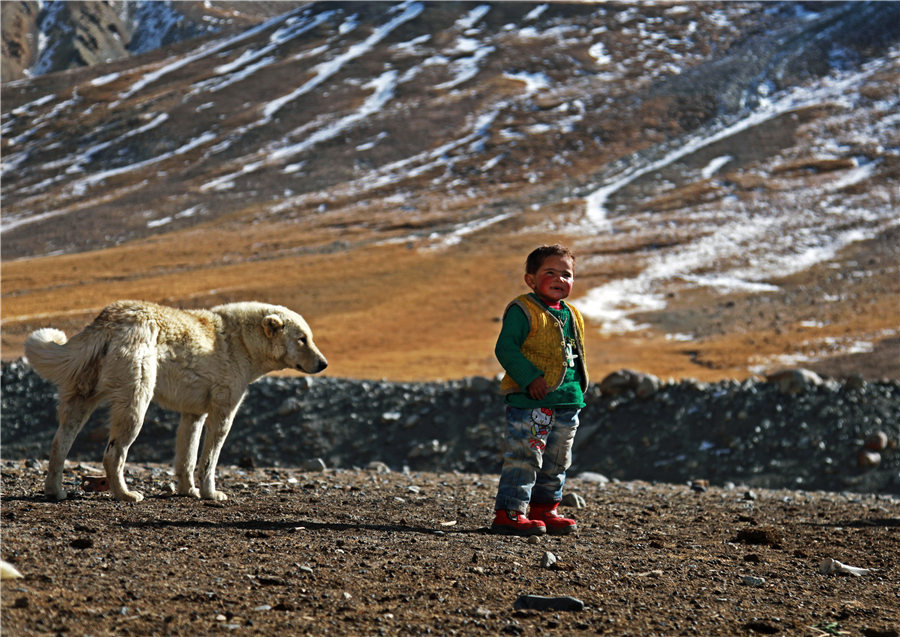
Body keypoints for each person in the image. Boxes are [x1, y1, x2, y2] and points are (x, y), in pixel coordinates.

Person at [491, 244, 589, 536]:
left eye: (567, 274)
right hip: (530, 401)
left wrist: (578, 391)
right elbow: (505, 348)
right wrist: (529, 377)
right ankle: (509, 512)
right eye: (551, 272)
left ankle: (545, 509)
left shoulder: (572, 314)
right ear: (531, 279)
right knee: (525, 456)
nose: (560, 279)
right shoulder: (523, 310)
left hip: (567, 400)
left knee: (557, 459)